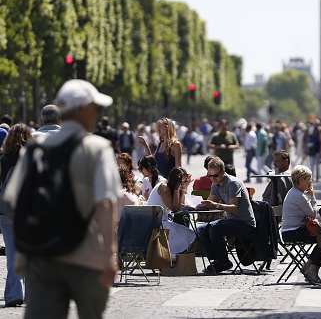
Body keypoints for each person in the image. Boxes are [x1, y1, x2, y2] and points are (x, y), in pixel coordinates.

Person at [5, 79, 121, 318]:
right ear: (84, 110)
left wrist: (22, 255)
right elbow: (106, 205)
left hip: (43, 255)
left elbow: (16, 202)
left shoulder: (33, 148)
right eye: (97, 109)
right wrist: (110, 255)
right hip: (87, 254)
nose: (98, 115)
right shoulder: (97, 148)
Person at [196, 157, 256, 274]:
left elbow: (233, 207)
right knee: (201, 229)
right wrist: (197, 205)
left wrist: (216, 205)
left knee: (215, 229)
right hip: (231, 221)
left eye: (216, 176)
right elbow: (210, 202)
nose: (213, 179)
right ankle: (217, 260)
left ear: (223, 172)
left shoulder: (233, 183)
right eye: (210, 176)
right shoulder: (215, 184)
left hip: (245, 223)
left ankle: (223, 262)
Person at [0, 124, 33, 307]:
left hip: (7, 212)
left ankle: (13, 295)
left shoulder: (3, 159)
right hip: (29, 213)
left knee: (12, 254)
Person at [280, 165, 321, 284]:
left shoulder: (293, 192)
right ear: (301, 179)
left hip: (289, 231)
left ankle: (308, 267)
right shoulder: (300, 196)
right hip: (293, 232)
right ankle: (312, 270)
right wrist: (312, 197)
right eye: (309, 179)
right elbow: (313, 214)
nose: (311, 181)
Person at [146, 166, 195, 257]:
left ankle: (174, 257)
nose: (182, 184)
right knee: (185, 234)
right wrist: (177, 190)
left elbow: (180, 206)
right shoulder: (164, 186)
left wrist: (184, 189)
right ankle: (171, 258)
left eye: (185, 181)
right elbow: (174, 208)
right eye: (182, 182)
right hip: (154, 221)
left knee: (188, 234)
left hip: (162, 220)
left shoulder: (173, 188)